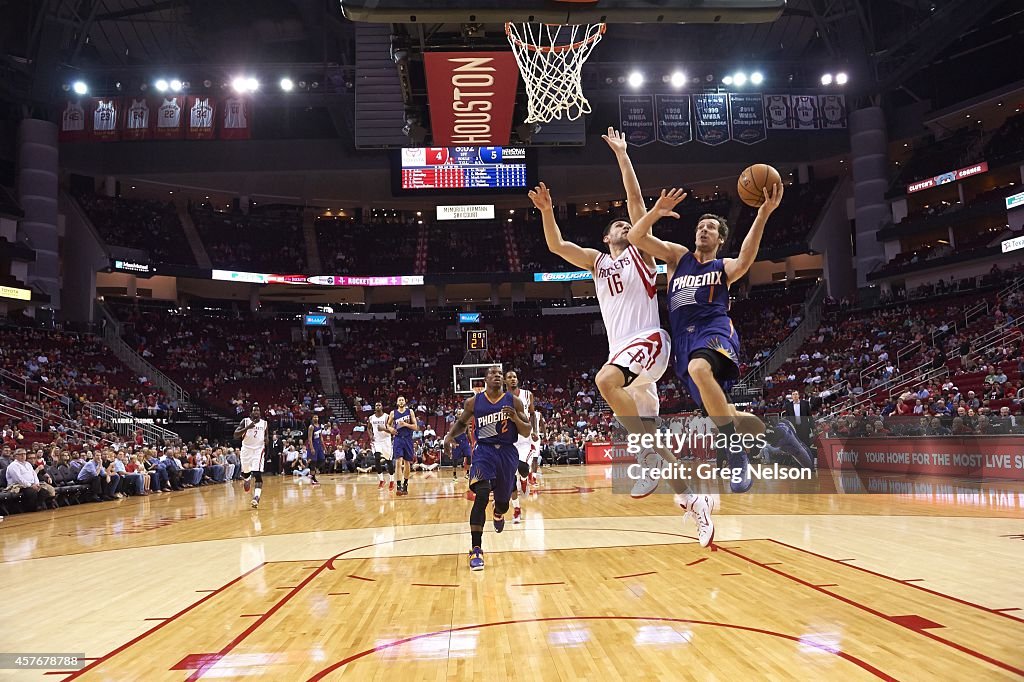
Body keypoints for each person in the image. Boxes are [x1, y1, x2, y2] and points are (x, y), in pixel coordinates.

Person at [529, 177, 715, 547]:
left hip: (649, 341)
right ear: (605, 238)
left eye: (628, 225)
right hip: (627, 361)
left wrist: (622, 156)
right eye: (618, 226)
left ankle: (647, 458)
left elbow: (634, 202)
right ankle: (694, 500)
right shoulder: (597, 263)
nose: (625, 227)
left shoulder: (640, 255)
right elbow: (557, 245)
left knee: (604, 381)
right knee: (652, 434)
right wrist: (548, 211)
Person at [625, 185, 812, 496]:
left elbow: (744, 260)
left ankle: (735, 454)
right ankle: (777, 434)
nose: (703, 230)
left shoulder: (722, 267)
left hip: (715, 331)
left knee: (701, 369)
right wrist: (655, 212)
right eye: (700, 226)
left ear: (720, 238)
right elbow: (636, 237)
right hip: (683, 344)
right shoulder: (677, 258)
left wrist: (763, 213)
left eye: (710, 227)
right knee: (726, 414)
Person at [443, 365, 531, 571]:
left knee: (503, 504)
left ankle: (498, 513)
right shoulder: (474, 402)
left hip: (507, 453)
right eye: (493, 374)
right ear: (485, 379)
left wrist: (515, 418)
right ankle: (476, 549)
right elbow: (462, 423)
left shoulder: (514, 401)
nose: (497, 376)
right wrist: (448, 437)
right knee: (481, 493)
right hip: (484, 451)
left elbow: (527, 431)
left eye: (500, 374)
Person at [505, 370, 537, 524]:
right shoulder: (501, 398)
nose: (513, 379)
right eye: (509, 377)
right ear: (505, 381)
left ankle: (524, 478)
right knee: (510, 477)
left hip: (524, 439)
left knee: (523, 467)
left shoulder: (527, 394)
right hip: (509, 440)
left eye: (515, 377)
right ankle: (516, 509)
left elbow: (532, 414)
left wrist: (535, 430)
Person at [234, 404, 268, 509]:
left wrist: (267, 440)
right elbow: (235, 435)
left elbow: (266, 436)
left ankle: (256, 498)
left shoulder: (264, 423)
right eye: (254, 410)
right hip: (246, 449)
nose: (256, 412)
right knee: (246, 472)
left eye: (258, 410)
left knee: (257, 473)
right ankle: (247, 479)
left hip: (258, 450)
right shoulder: (245, 421)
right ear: (251, 413)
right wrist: (248, 427)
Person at [388, 396, 416, 496]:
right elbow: (388, 424)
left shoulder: (410, 412)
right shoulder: (393, 413)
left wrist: (405, 424)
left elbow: (415, 427)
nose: (401, 401)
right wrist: (390, 429)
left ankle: (405, 484)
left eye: (402, 400)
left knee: (407, 462)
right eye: (399, 400)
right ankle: (398, 485)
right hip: (398, 439)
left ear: (405, 401)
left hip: (408, 438)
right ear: (397, 402)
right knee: (398, 461)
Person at [368, 402, 395, 491]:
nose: (378, 406)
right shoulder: (371, 418)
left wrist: (383, 429)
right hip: (377, 441)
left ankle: (391, 481)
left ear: (382, 407)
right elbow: (368, 428)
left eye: (379, 405)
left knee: (389, 461)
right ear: (374, 407)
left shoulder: (387, 417)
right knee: (377, 458)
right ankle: (382, 480)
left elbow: (392, 430)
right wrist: (371, 435)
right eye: (376, 405)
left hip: (386, 441)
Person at [305, 415, 324, 486]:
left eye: (317, 417)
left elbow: (321, 437)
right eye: (314, 417)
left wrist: (324, 446)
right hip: (313, 445)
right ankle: (313, 478)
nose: (316, 418)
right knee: (313, 461)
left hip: (319, 445)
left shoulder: (320, 426)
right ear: (312, 419)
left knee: (322, 459)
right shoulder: (311, 427)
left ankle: (312, 472)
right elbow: (309, 438)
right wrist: (312, 448)